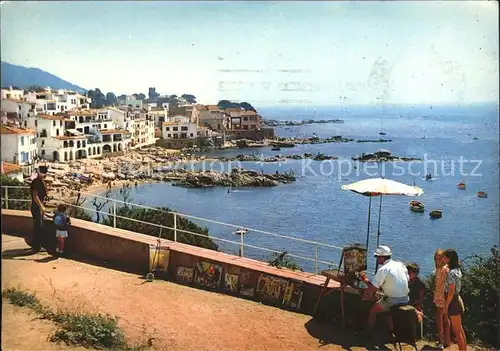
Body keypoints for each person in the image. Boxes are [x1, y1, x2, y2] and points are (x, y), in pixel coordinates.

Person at [359, 245, 410, 336]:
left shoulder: (383, 269)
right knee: (387, 308)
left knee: (373, 311)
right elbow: (406, 280)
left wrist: (364, 279)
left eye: (377, 257)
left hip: (392, 300)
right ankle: (391, 332)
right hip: (406, 299)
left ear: (381, 257)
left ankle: (368, 332)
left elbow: (373, 288)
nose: (376, 259)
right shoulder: (400, 264)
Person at [443, 249, 467, 351]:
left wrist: (446, 305)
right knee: (460, 329)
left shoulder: (452, 273)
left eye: (444, 257)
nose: (443, 259)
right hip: (456, 299)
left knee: (456, 331)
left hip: (452, 301)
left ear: (449, 258)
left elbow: (451, 291)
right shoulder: (457, 269)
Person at [433, 249, 451, 349]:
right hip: (440, 296)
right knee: (445, 318)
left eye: (439, 258)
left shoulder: (444, 269)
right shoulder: (439, 268)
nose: (437, 260)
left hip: (442, 297)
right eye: (436, 258)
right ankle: (447, 340)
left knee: (439, 319)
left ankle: (440, 341)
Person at [29, 165, 48, 253]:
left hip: (37, 207)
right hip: (36, 207)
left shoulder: (39, 181)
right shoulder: (37, 182)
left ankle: (36, 246)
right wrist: (42, 206)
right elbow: (35, 196)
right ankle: (37, 247)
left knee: (38, 226)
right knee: (38, 227)